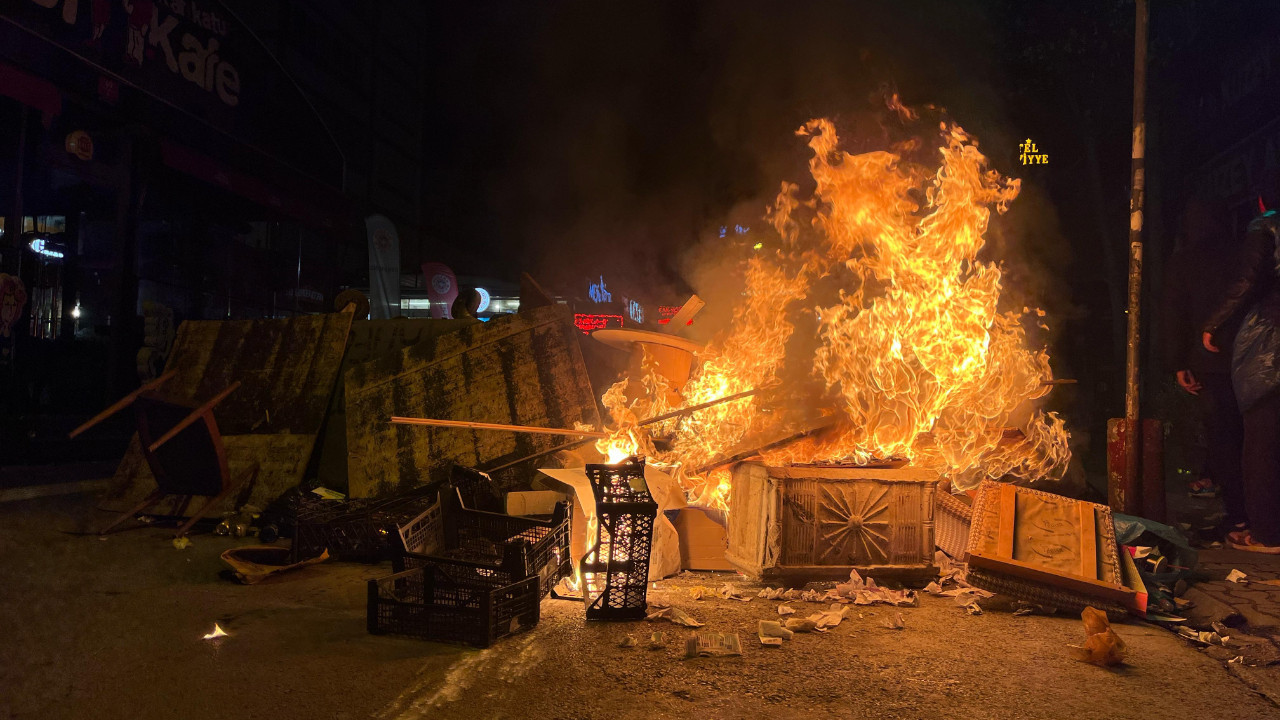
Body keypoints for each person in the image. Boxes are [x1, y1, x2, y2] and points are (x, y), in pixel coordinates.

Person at [1161, 197, 1245, 530]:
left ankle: (1238, 516)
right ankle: (1254, 514)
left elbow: (1174, 316)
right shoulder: (1241, 255)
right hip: (1248, 359)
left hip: (1210, 363)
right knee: (1249, 437)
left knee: (1223, 439)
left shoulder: (1184, 262)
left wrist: (1178, 363)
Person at [1203, 204, 1280, 553]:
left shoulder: (1266, 228)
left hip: (1272, 347)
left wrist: (1214, 323)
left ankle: (1266, 534)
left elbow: (1247, 279)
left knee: (1262, 442)